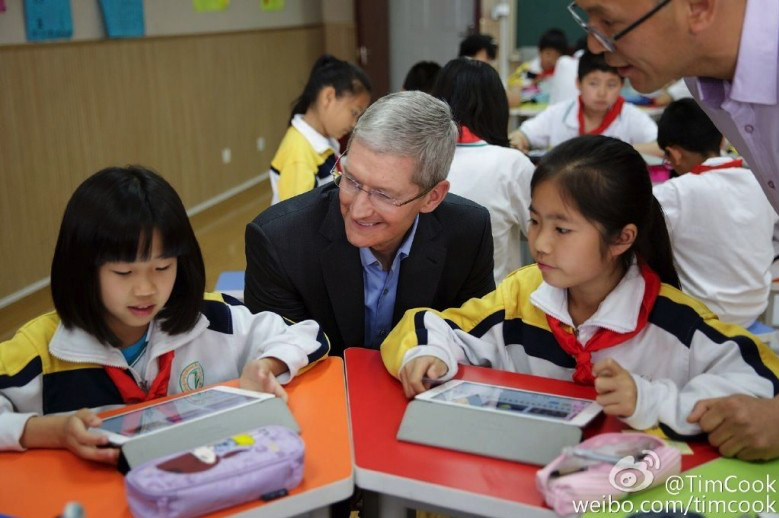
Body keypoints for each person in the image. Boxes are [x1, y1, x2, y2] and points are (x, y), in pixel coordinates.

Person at [381, 135, 779, 437]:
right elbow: (428, 326)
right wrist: (428, 355)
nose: (539, 243)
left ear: (622, 239)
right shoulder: (523, 295)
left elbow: (762, 388)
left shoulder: (677, 322)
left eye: (562, 229)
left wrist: (652, 401)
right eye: (535, 221)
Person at [0, 166, 329, 461]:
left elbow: (307, 333)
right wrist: (50, 432)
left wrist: (266, 365)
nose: (145, 289)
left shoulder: (214, 319)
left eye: (162, 267)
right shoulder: (41, 350)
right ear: (83, 270)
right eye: (123, 273)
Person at [570, 0, 779, 461]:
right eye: (586, 19)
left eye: (609, 22)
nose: (594, 43)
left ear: (699, 8)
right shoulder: (705, 82)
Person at [245, 91, 496, 357]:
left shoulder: (468, 233)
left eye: (384, 194)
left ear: (432, 197)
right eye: (351, 179)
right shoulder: (279, 242)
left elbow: (472, 342)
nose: (358, 210)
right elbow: (278, 360)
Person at [653, 99, 777, 327]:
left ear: (674, 154)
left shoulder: (674, 193)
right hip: (752, 311)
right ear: (721, 138)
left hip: (702, 317)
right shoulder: (760, 181)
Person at [431, 58, 534, 282]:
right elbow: (542, 235)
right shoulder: (512, 164)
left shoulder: (416, 158)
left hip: (421, 310)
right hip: (493, 309)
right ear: (497, 107)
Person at [269, 54, 371, 205]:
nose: (354, 123)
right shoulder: (299, 154)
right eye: (354, 112)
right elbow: (296, 219)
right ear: (328, 97)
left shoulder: (322, 140)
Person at [511, 51, 657, 154]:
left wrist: (618, 152)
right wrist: (518, 143)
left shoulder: (631, 116)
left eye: (611, 85)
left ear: (621, 86)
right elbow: (521, 135)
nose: (602, 93)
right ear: (578, 83)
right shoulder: (559, 113)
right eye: (593, 84)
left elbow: (661, 147)